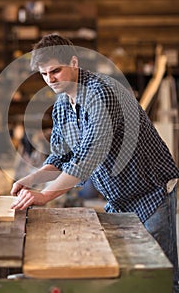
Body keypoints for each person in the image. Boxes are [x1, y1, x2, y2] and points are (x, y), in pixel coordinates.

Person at [11, 34, 179, 292]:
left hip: (152, 191)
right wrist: (31, 179)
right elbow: (61, 157)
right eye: (44, 74)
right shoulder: (61, 106)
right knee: (130, 275)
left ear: (75, 62)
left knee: (160, 280)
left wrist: (45, 196)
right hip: (120, 197)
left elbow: (87, 159)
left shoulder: (102, 93)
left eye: (56, 71)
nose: (50, 80)